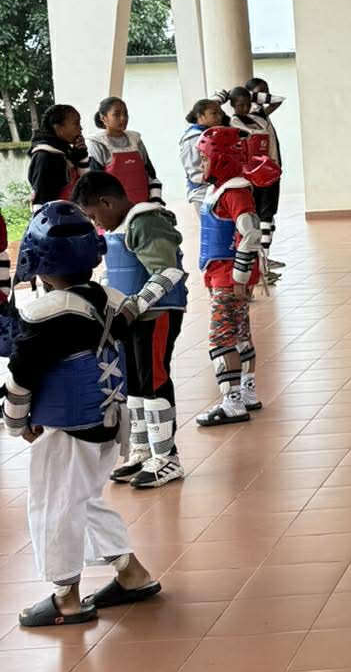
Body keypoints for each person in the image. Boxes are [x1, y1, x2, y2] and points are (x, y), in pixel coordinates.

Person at [2, 202, 161, 628]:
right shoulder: (112, 302)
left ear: (39, 261)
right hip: (108, 423)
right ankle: (132, 573)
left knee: (54, 506)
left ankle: (66, 598)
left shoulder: (46, 315)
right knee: (82, 499)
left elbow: (21, 377)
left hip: (67, 430)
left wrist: (15, 422)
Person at [74, 170, 189, 488]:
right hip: (132, 319)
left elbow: (168, 271)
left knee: (154, 381)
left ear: (107, 203)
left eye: (93, 216)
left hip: (156, 316)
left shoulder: (145, 222)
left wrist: (133, 306)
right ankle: (142, 451)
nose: (95, 223)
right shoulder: (120, 228)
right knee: (134, 385)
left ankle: (167, 458)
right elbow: (117, 273)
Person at [195, 126, 275, 427]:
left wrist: (240, 277)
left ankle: (232, 403)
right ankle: (247, 393)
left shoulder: (235, 192)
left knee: (221, 339)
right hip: (223, 275)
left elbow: (251, 232)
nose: (201, 164)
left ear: (221, 159)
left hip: (228, 278)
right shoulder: (223, 190)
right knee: (240, 335)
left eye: (205, 158)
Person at [86, 98, 161, 205]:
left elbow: (151, 175)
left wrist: (156, 202)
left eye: (125, 114)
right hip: (114, 210)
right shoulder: (97, 143)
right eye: (116, 114)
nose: (123, 118)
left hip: (142, 206)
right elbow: (96, 183)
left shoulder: (136, 140)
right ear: (103, 118)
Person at [244, 78, 285, 259]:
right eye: (260, 91)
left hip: (271, 171)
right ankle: (262, 259)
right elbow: (276, 100)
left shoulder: (261, 115)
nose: (265, 95)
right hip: (261, 173)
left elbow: (277, 100)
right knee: (264, 216)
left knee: (268, 216)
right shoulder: (251, 116)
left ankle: (264, 257)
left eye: (266, 90)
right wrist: (250, 97)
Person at [29, 106, 89, 205]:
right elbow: (41, 202)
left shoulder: (65, 151)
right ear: (58, 127)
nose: (80, 128)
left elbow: (86, 184)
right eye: (76, 123)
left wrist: (81, 156)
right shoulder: (45, 156)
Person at [180, 98, 225, 209]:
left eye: (220, 113)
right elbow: (194, 173)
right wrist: (216, 179)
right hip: (202, 194)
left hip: (217, 189)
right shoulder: (193, 138)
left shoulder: (211, 133)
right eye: (214, 114)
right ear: (200, 116)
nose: (219, 117)